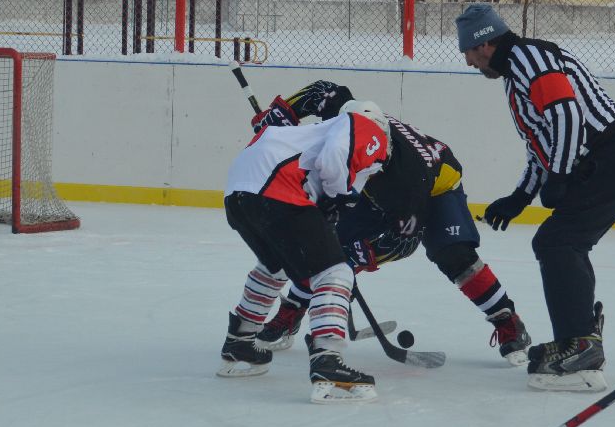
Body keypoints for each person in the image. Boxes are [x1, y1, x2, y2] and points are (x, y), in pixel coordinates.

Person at [249, 80, 532, 366]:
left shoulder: (407, 182)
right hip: (375, 189)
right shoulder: (345, 117)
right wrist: (281, 115)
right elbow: (320, 91)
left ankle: (506, 320)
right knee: (322, 244)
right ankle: (293, 310)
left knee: (452, 253)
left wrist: (360, 255)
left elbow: (403, 242)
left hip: (436, 186)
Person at [457, 2, 615, 392]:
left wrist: (560, 176)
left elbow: (566, 116)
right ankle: (579, 337)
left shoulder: (529, 57)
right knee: (563, 242)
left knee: (558, 242)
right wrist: (520, 197)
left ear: (483, 45)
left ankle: (580, 346)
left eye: (467, 53)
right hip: (610, 158)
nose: (468, 64)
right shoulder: (518, 72)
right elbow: (543, 145)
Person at [218, 92, 391, 403]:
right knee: (335, 272)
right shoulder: (364, 125)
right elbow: (334, 157)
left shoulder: (308, 132)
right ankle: (328, 361)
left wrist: (321, 201)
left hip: (238, 194)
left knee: (276, 267)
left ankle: (239, 341)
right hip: (276, 190)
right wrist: (338, 196)